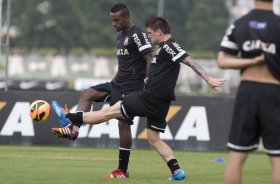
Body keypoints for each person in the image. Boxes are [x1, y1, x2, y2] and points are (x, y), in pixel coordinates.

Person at [51, 16, 226, 181]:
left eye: (150, 33)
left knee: (109, 112)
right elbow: (164, 70)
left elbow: (189, 60)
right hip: (161, 103)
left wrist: (208, 79)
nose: (148, 36)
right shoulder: (164, 50)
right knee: (153, 138)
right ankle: (177, 171)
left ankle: (68, 118)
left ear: (159, 31)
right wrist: (150, 78)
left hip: (149, 97)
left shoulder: (169, 46)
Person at [51, 3, 153, 179]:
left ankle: (122, 170)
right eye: (111, 20)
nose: (113, 24)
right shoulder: (120, 38)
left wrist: (147, 84)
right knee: (87, 93)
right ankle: (73, 129)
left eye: (116, 20)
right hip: (118, 84)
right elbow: (123, 66)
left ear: (126, 18)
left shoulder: (138, 35)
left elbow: (150, 59)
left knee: (123, 125)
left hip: (132, 88)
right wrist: (111, 85)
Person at [217, 0, 280, 183]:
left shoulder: (240, 23)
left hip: (248, 91)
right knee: (278, 159)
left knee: (237, 156)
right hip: (274, 92)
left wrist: (251, 62)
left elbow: (222, 60)